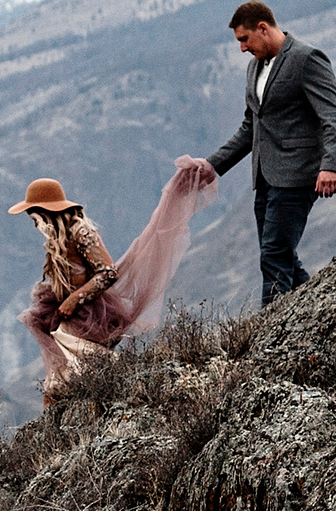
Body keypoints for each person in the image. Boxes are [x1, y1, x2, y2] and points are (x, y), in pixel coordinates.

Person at [16, 160, 219, 405]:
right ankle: (63, 425)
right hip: (66, 313)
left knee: (80, 369)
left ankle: (125, 392)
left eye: (35, 218)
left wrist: (74, 298)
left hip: (86, 314)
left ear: (46, 212)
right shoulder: (57, 238)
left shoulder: (81, 232)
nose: (35, 225)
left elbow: (108, 273)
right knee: (60, 379)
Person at [205, 0, 336, 306]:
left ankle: (266, 340)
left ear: (263, 28)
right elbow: (250, 127)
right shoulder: (254, 68)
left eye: (244, 39)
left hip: (298, 176)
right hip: (265, 179)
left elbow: (333, 115)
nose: (242, 48)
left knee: (274, 257)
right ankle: (320, 312)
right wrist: (211, 166)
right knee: (283, 258)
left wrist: (331, 166)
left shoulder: (306, 59)